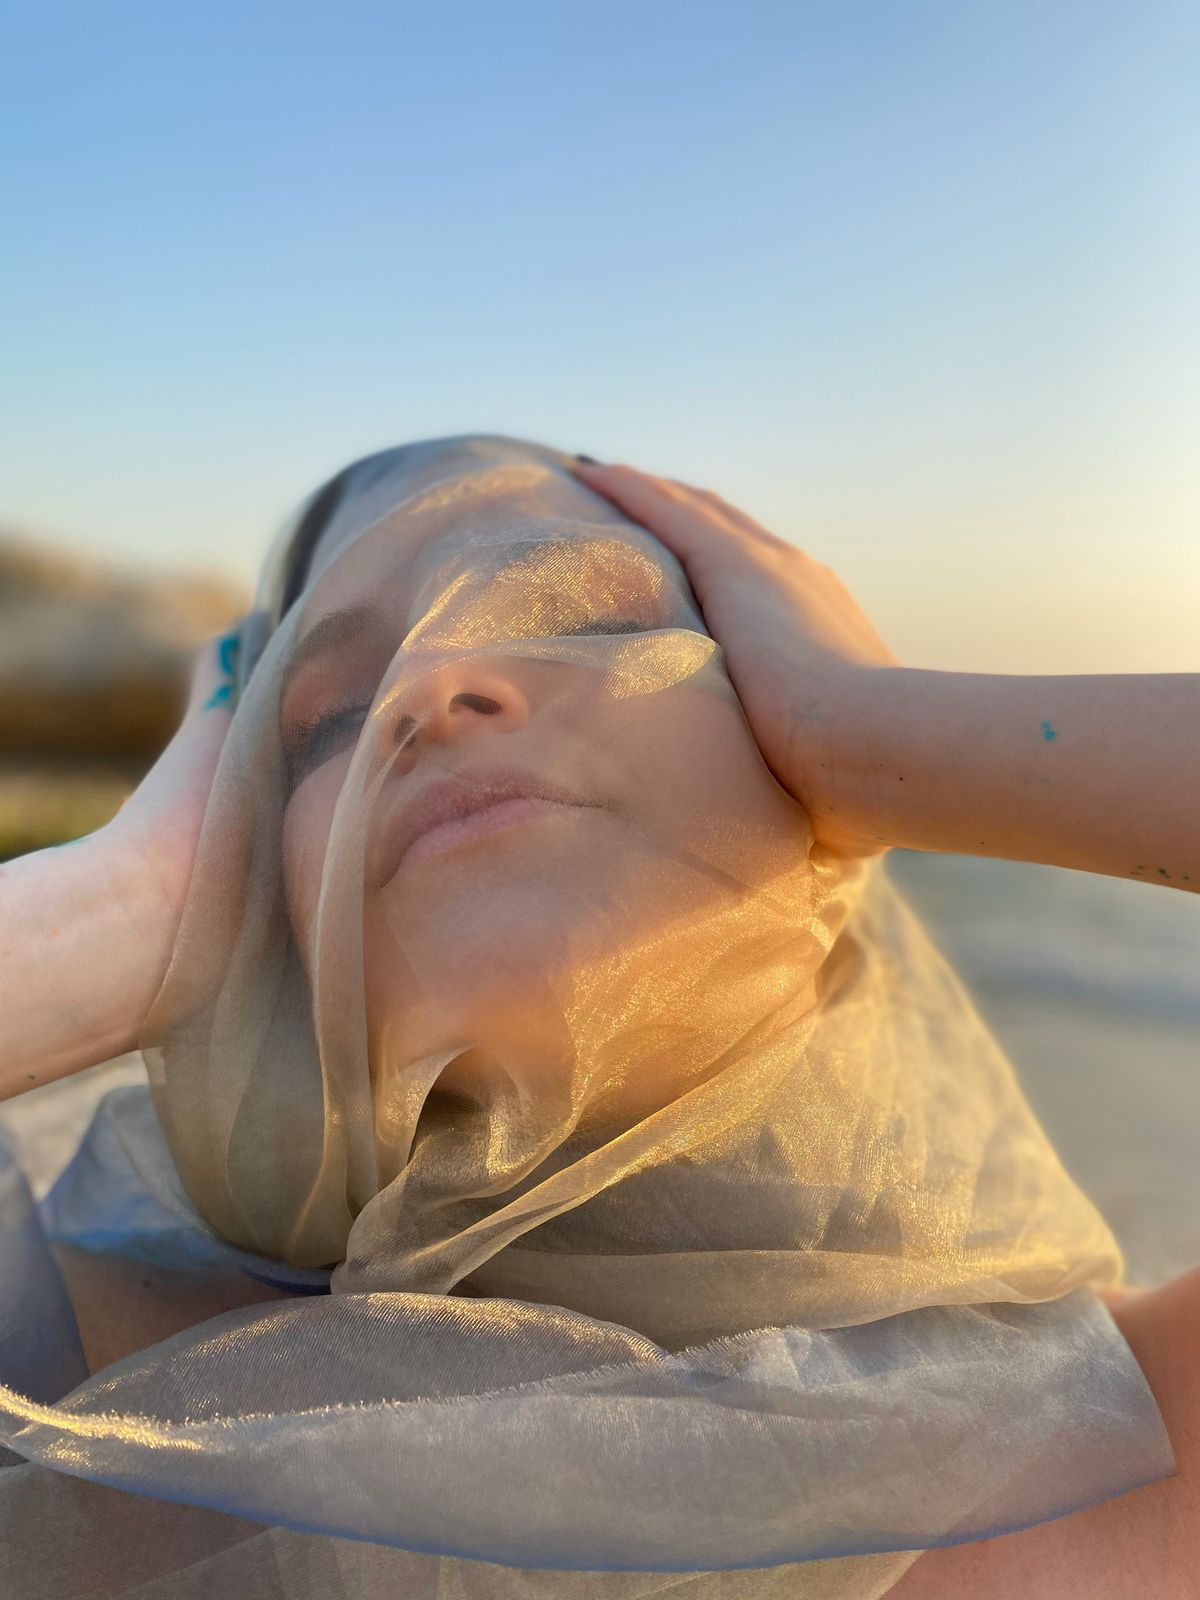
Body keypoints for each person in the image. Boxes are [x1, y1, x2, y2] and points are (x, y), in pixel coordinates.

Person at [0, 438, 1193, 1598]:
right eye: (325, 721)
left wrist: (866, 722)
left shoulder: (1139, 1422)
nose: (424, 690)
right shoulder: (87, 1401)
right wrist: (107, 916)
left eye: (586, 619)